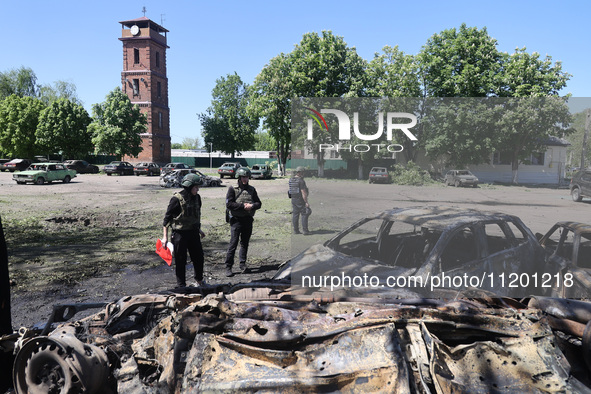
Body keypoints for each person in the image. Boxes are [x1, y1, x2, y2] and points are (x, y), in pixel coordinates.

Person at [162, 173, 206, 287]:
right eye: (196, 187)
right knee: (181, 260)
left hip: (193, 232)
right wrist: (165, 237)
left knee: (199, 257)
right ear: (189, 186)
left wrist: (199, 230)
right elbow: (167, 219)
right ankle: (181, 285)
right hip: (179, 235)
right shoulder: (176, 199)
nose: (198, 189)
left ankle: (199, 281)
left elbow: (195, 216)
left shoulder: (197, 198)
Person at [224, 167, 261, 277]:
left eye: (246, 177)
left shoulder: (252, 189)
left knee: (244, 243)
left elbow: (259, 203)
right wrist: (243, 206)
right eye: (243, 177)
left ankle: (242, 264)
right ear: (238, 178)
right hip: (236, 220)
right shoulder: (232, 189)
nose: (245, 179)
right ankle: (228, 266)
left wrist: (253, 206)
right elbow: (229, 204)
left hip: (248, 220)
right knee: (233, 243)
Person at [288, 166, 311, 235]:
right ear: (300, 172)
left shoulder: (291, 179)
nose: (304, 174)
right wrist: (306, 202)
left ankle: (296, 230)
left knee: (295, 215)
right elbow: (303, 192)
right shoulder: (301, 181)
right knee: (304, 214)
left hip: (293, 200)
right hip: (300, 200)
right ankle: (305, 231)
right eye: (303, 172)